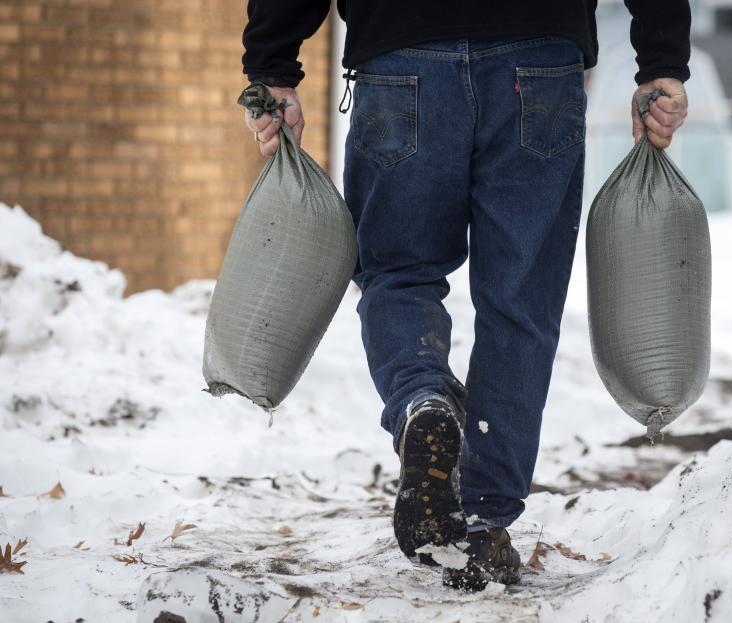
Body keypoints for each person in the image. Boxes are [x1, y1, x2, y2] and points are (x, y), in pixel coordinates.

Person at [241, 0, 690, 591]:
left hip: (401, 54)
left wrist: (271, 65)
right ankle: (485, 523)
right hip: (540, 55)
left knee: (398, 273)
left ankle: (420, 399)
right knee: (521, 299)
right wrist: (662, 59)